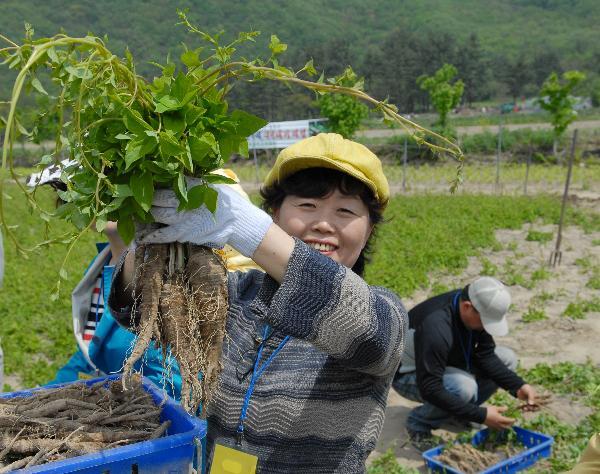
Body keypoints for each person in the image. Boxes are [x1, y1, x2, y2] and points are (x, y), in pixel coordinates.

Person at [108, 133, 408, 473]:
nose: (324, 223)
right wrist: (147, 233)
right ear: (276, 214)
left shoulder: (383, 312)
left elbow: (370, 335)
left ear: (368, 231)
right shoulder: (238, 294)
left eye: (345, 211)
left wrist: (247, 229)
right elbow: (140, 310)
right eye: (307, 205)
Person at [392, 277, 537, 450]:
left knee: (507, 358)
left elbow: (485, 356)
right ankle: (419, 423)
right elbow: (430, 387)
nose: (486, 327)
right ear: (468, 307)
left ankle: (458, 413)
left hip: (445, 362)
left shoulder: (472, 305)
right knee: (464, 387)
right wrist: (481, 415)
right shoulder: (436, 327)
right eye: (486, 321)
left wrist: (518, 386)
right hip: (408, 375)